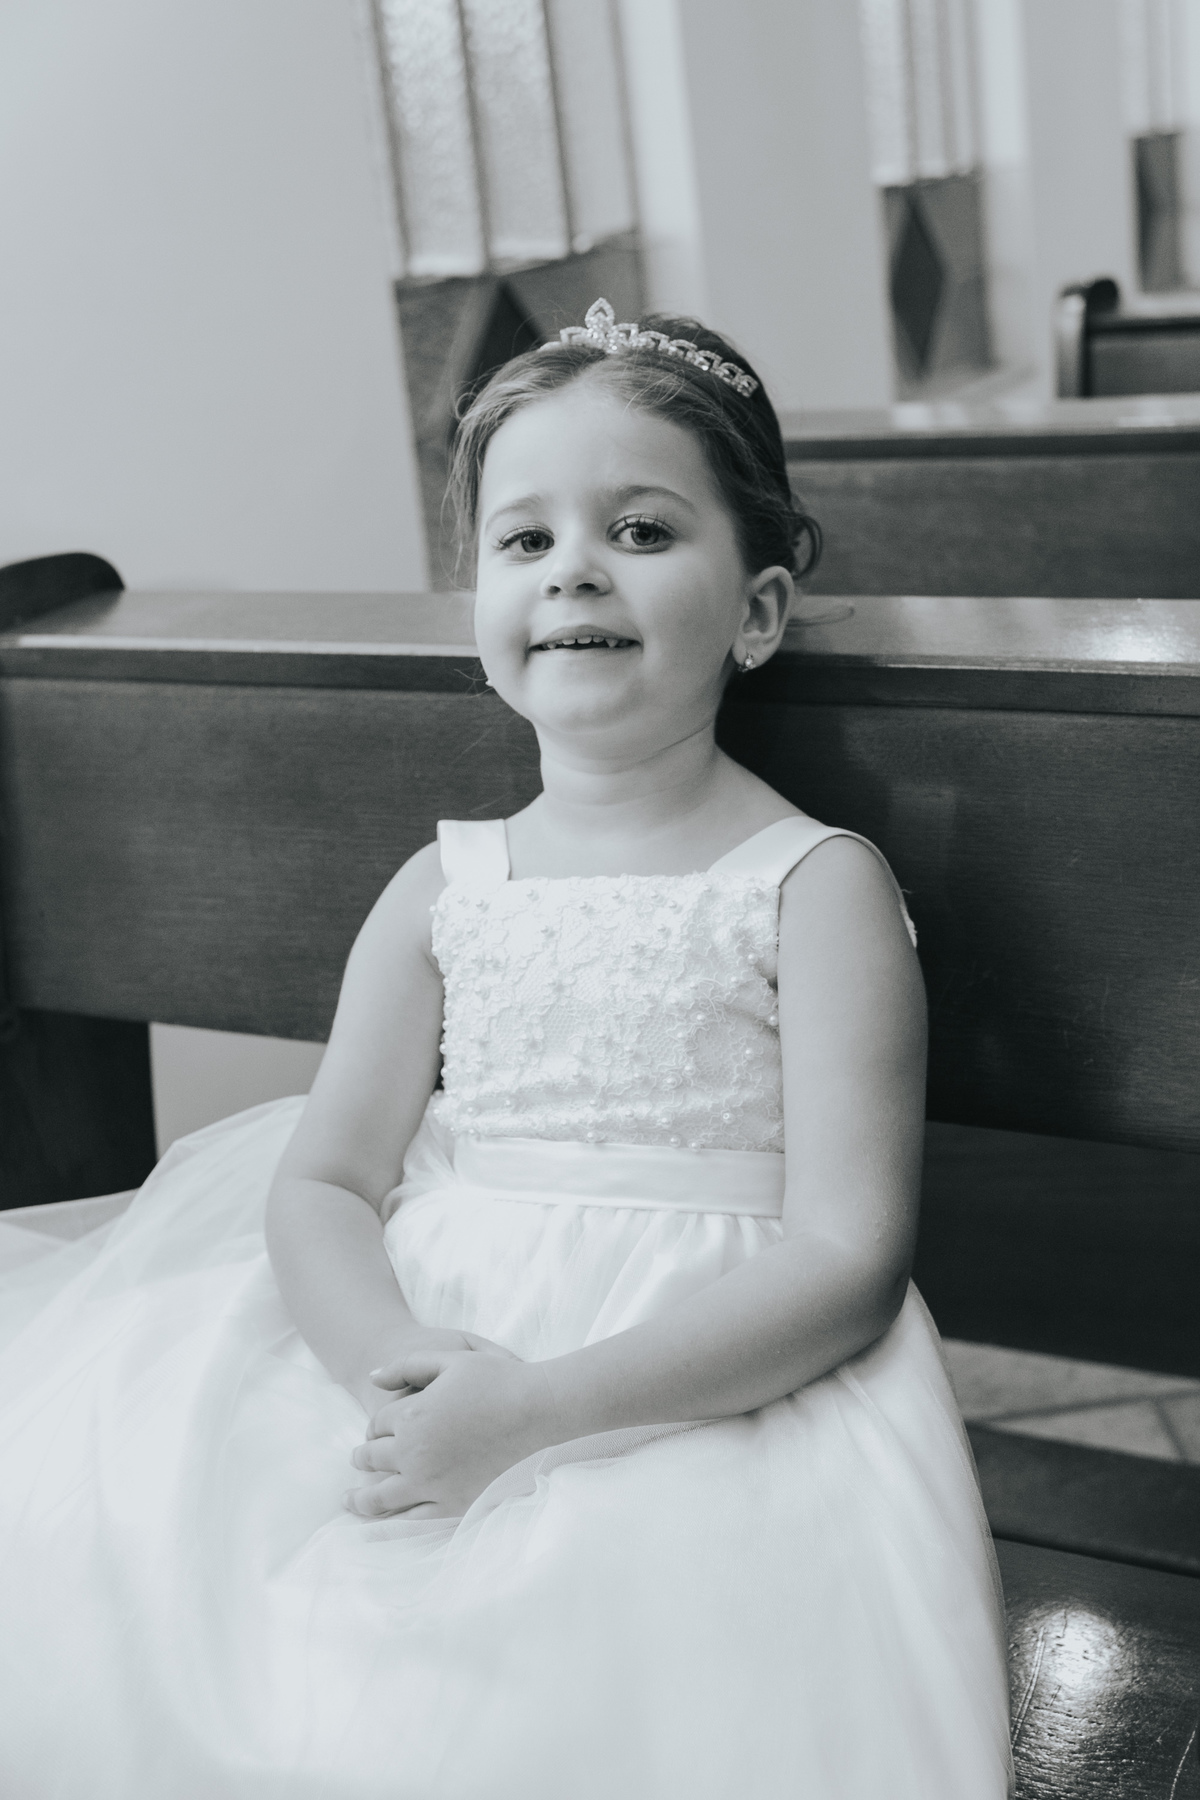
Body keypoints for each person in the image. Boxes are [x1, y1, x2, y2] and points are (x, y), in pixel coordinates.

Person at [0, 300, 1012, 1798]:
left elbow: (849, 1256)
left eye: (641, 530)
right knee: (173, 1586)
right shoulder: (444, 887)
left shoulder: (813, 888)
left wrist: (543, 1412)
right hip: (423, 1338)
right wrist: (390, 1373)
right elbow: (325, 1180)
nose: (574, 568)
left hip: (703, 1383)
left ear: (758, 611)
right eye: (524, 539)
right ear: (478, 604)